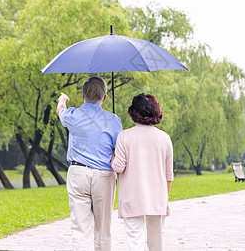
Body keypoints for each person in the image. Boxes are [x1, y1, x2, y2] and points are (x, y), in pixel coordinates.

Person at [57, 76, 122, 251]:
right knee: (104, 228)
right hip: (104, 175)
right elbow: (119, 150)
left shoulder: (73, 114)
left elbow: (60, 111)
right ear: (105, 97)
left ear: (82, 96)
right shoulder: (114, 120)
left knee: (80, 227)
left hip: (78, 173)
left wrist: (62, 100)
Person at [112, 93, 174, 251]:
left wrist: (113, 154)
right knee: (156, 242)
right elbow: (169, 175)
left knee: (135, 242)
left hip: (132, 198)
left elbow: (118, 167)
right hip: (157, 198)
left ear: (133, 112)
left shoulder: (124, 136)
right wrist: (164, 198)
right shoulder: (165, 138)